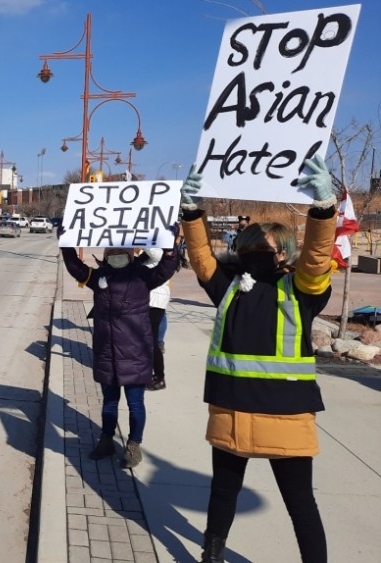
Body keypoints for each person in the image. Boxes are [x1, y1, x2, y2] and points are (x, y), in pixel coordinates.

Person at [179, 155, 336, 563]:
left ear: (283, 254)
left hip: (284, 417)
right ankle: (210, 556)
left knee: (301, 506)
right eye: (246, 247)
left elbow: (317, 259)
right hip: (233, 411)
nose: (251, 254)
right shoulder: (228, 288)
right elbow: (200, 257)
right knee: (222, 495)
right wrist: (192, 212)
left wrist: (323, 210)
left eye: (261, 248)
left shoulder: (301, 292)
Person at [60, 234, 178, 468]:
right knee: (109, 403)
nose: (116, 255)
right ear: (106, 255)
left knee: (135, 404)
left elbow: (166, 268)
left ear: (130, 254)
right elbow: (75, 267)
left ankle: (134, 445)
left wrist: (170, 248)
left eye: (120, 252)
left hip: (135, 354)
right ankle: (106, 440)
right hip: (107, 353)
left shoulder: (143, 277)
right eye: (111, 252)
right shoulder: (99, 277)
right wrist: (65, 242)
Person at [141, 247, 171, 391]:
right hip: (146, 300)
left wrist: (137, 236)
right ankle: (150, 373)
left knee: (151, 340)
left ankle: (160, 377)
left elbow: (154, 253)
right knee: (145, 339)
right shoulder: (146, 255)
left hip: (155, 301)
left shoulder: (160, 252)